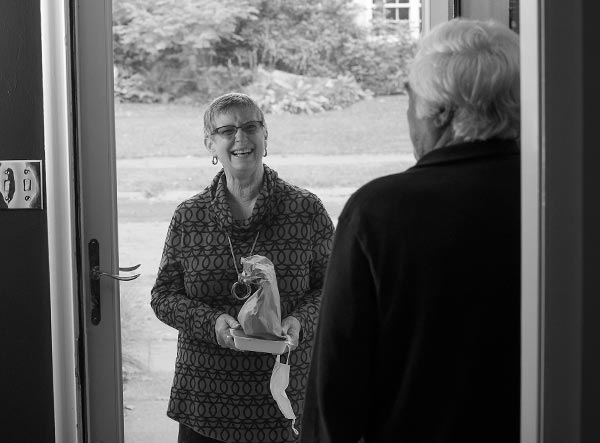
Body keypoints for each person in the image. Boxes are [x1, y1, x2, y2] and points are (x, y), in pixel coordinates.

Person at [301, 18, 521, 443]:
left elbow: (336, 386)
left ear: (438, 111)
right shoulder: (559, 204)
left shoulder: (380, 212)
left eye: (410, 97)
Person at [151, 92, 335, 443]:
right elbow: (163, 297)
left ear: (265, 136)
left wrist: (300, 322)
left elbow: (334, 289)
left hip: (285, 399)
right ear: (210, 143)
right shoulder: (190, 216)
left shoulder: (306, 210)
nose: (240, 138)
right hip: (205, 400)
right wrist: (214, 324)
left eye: (251, 126)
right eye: (227, 130)